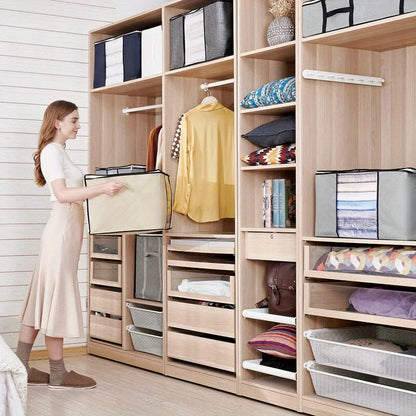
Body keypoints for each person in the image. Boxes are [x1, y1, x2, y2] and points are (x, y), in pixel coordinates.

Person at [16, 100, 123, 389]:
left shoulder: (59, 152)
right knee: (55, 301)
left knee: (41, 299)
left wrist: (100, 184)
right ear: (57, 123)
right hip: (61, 234)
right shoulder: (52, 151)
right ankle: (58, 372)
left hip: (63, 234)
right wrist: (101, 189)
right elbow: (63, 194)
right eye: (74, 120)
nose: (78, 126)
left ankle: (21, 367)